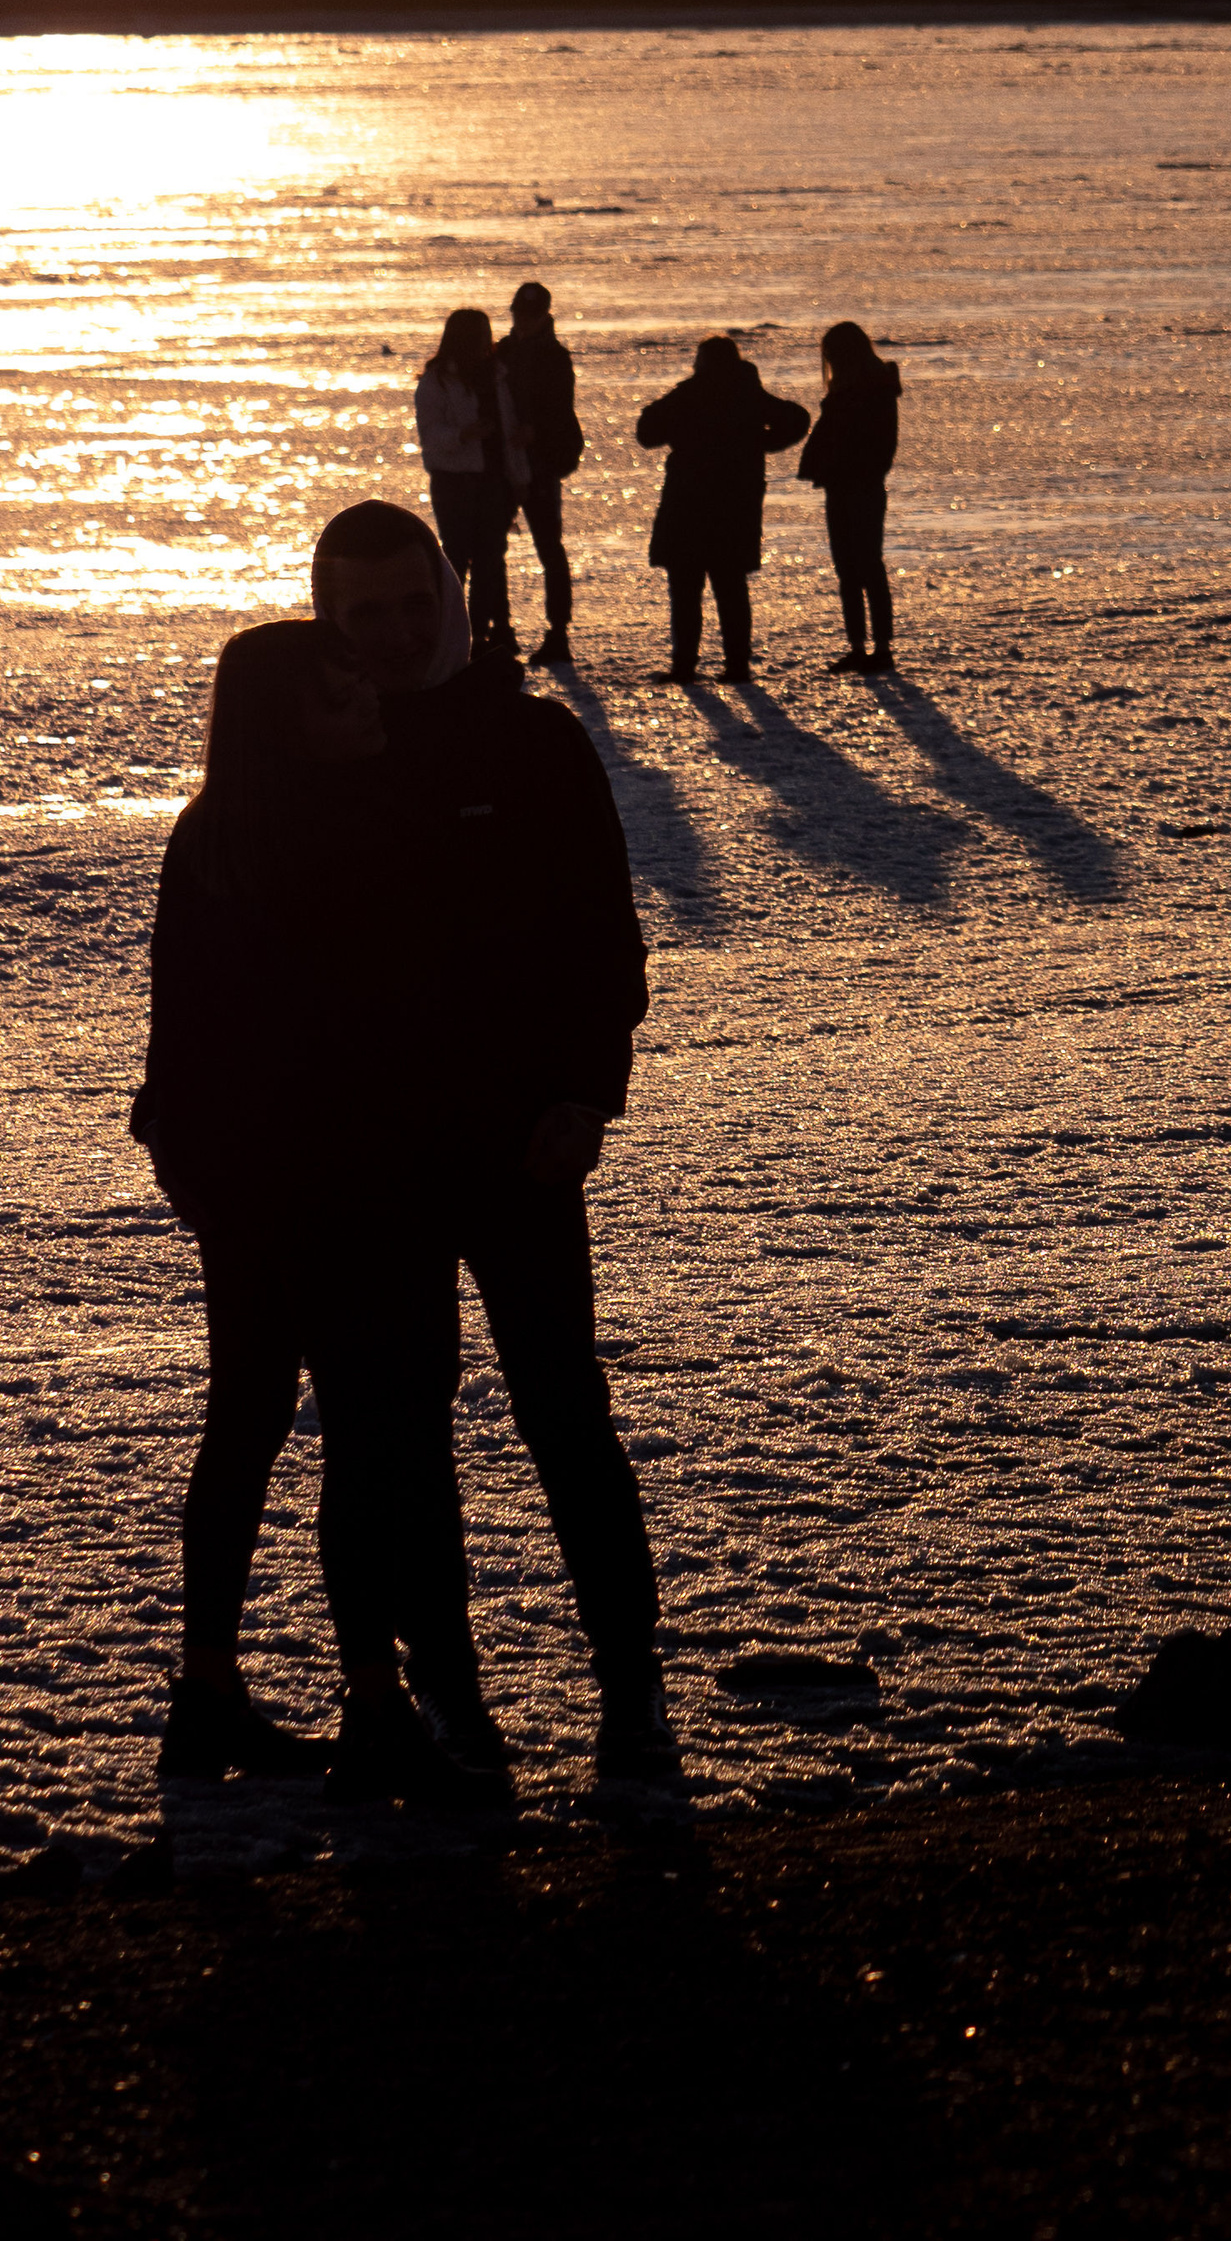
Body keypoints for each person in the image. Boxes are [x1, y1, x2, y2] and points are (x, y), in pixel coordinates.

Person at [310, 497, 673, 1784]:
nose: (399, 631)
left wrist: (586, 1097)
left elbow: (604, 937)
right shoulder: (317, 762)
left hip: (524, 1150)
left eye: (416, 603)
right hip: (376, 1168)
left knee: (566, 1419)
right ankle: (453, 1697)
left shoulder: (533, 742)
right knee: (404, 1440)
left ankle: (631, 1690)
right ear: (330, 621)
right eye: (368, 612)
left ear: (449, 599)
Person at [132, 614, 499, 1806]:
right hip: (347, 1180)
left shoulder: (213, 833)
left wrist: (181, 1150)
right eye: (343, 701)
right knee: (366, 1433)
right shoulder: (360, 830)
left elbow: (176, 1026)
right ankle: (374, 1702)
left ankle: (207, 1691)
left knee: (245, 1417)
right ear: (289, 723)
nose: (371, 708)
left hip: (242, 1181)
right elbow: (400, 1017)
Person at [635, 337, 810, 683]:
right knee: (730, 588)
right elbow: (797, 418)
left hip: (688, 507)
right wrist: (761, 443)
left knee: (687, 591)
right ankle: (736, 665)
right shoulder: (748, 395)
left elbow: (647, 431)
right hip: (734, 507)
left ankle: (685, 665)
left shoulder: (690, 394)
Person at [415, 308, 530, 661]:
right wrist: (465, 434)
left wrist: (518, 469)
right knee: (457, 559)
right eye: (480, 334)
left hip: (494, 479)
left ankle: (484, 632)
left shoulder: (497, 375)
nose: (487, 340)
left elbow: (508, 425)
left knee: (490, 558)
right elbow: (430, 436)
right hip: (455, 481)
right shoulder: (437, 381)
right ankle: (452, 632)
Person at [796, 319, 902, 674]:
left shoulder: (870, 390)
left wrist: (842, 467)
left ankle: (880, 648)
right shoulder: (856, 389)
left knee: (866, 567)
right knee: (850, 569)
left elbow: (878, 446)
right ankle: (861, 646)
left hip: (861, 486)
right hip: (845, 485)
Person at [495, 280, 585, 667]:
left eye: (530, 314)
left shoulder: (555, 357)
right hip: (502, 463)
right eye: (519, 313)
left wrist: (537, 431)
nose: (523, 320)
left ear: (544, 315)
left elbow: (561, 411)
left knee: (549, 548)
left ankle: (558, 632)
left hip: (541, 463)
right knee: (491, 551)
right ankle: (500, 629)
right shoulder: (501, 352)